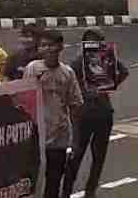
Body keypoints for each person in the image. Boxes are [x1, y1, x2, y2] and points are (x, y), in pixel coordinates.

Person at [63, 29, 130, 198]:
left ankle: (90, 192)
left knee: (99, 157)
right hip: (83, 115)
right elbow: (69, 86)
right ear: (84, 44)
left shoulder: (107, 60)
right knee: (76, 155)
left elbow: (123, 72)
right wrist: (84, 93)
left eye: (98, 41)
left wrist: (108, 85)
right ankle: (66, 192)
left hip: (104, 113)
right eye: (90, 42)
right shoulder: (78, 63)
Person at [25, 31, 83, 198]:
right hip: (35, 136)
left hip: (58, 137)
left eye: (51, 45)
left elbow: (75, 107)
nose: (47, 49)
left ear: (60, 47)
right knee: (31, 181)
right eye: (43, 45)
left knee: (54, 180)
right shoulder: (33, 68)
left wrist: (76, 140)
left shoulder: (68, 73)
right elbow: (22, 98)